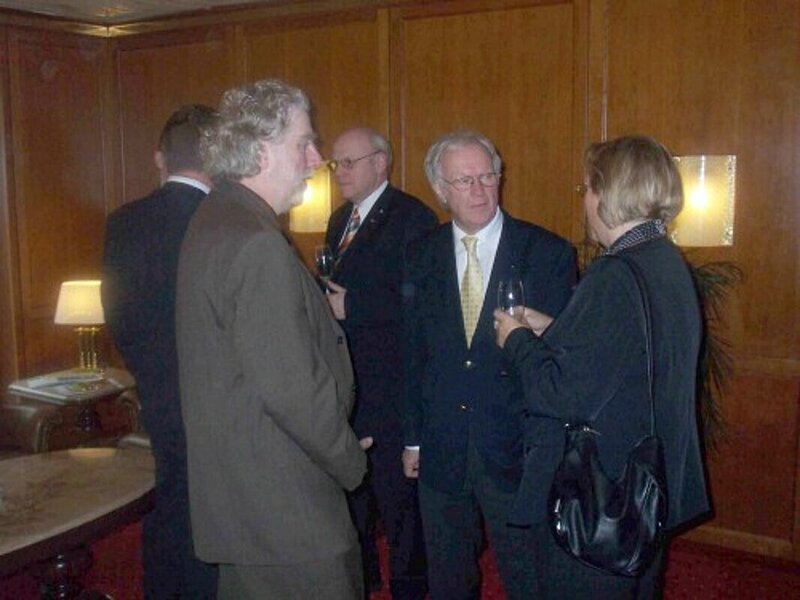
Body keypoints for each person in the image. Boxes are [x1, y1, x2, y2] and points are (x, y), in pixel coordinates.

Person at [494, 135, 711, 599]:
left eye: (587, 188)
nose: (585, 200)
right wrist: (554, 329)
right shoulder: (663, 259)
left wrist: (516, 341)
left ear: (607, 193)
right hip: (646, 488)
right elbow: (629, 354)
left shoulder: (614, 274)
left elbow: (559, 395)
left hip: (604, 498)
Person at [175, 79, 368, 600]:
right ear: (260, 151)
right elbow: (291, 390)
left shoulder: (216, 217)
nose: (316, 160)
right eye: (303, 143)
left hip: (248, 498)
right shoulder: (256, 241)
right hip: (286, 507)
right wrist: (350, 458)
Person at [402, 130, 576, 599]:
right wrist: (413, 438)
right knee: (448, 577)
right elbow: (413, 355)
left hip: (516, 447)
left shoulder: (547, 253)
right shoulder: (420, 254)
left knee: (528, 577)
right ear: (440, 190)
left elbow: (563, 361)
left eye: (487, 176)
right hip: (442, 444)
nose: (479, 190)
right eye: (465, 180)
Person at [102, 104, 220, 599]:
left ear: (159, 159)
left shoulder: (123, 222)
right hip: (217, 399)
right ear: (217, 159)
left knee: (168, 503)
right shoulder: (225, 221)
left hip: (156, 389)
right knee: (209, 517)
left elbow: (118, 313)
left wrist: (148, 371)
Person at [325, 127, 436, 599]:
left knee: (399, 504)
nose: (340, 172)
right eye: (336, 163)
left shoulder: (412, 218)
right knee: (354, 496)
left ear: (380, 163)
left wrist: (355, 307)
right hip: (349, 381)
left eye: (349, 162)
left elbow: (425, 302)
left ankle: (410, 590)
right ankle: (363, 581)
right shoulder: (339, 219)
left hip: (392, 386)